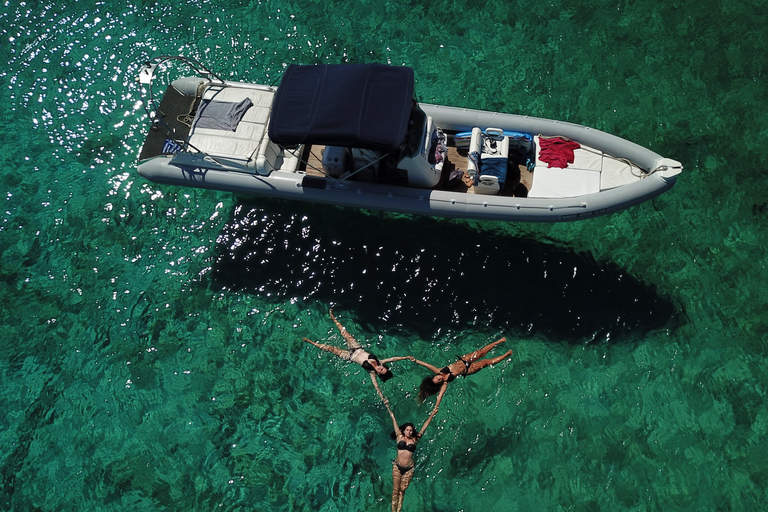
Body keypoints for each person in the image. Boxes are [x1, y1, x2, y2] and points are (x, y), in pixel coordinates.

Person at [303, 309, 413, 386]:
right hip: (357, 348)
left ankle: (310, 342)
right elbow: (393, 358)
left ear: (379, 374)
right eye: (383, 368)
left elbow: (376, 386)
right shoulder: (380, 361)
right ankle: (332, 317)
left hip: (349, 356)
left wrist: (383, 398)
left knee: (330, 348)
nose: (380, 368)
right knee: (345, 333)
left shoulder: (372, 373)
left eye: (381, 371)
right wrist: (407, 357)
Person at [380, 394, 439, 512]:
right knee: (395, 490)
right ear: (404, 430)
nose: (409, 431)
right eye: (407, 429)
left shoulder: (415, 440)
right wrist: (387, 406)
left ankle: (399, 510)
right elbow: (393, 418)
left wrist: (432, 415)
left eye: (411, 430)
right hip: (397, 466)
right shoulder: (399, 437)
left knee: (402, 491)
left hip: (409, 469)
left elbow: (424, 427)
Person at [413, 337, 512, 405]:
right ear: (439, 383)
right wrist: (436, 407)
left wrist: (416, 360)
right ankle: (506, 355)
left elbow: (426, 365)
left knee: (481, 352)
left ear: (433, 377)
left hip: (463, 360)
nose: (439, 378)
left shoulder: (438, 371)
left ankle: (499, 341)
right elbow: (440, 396)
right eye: (438, 380)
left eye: (436, 378)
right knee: (486, 362)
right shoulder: (445, 383)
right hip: (468, 370)